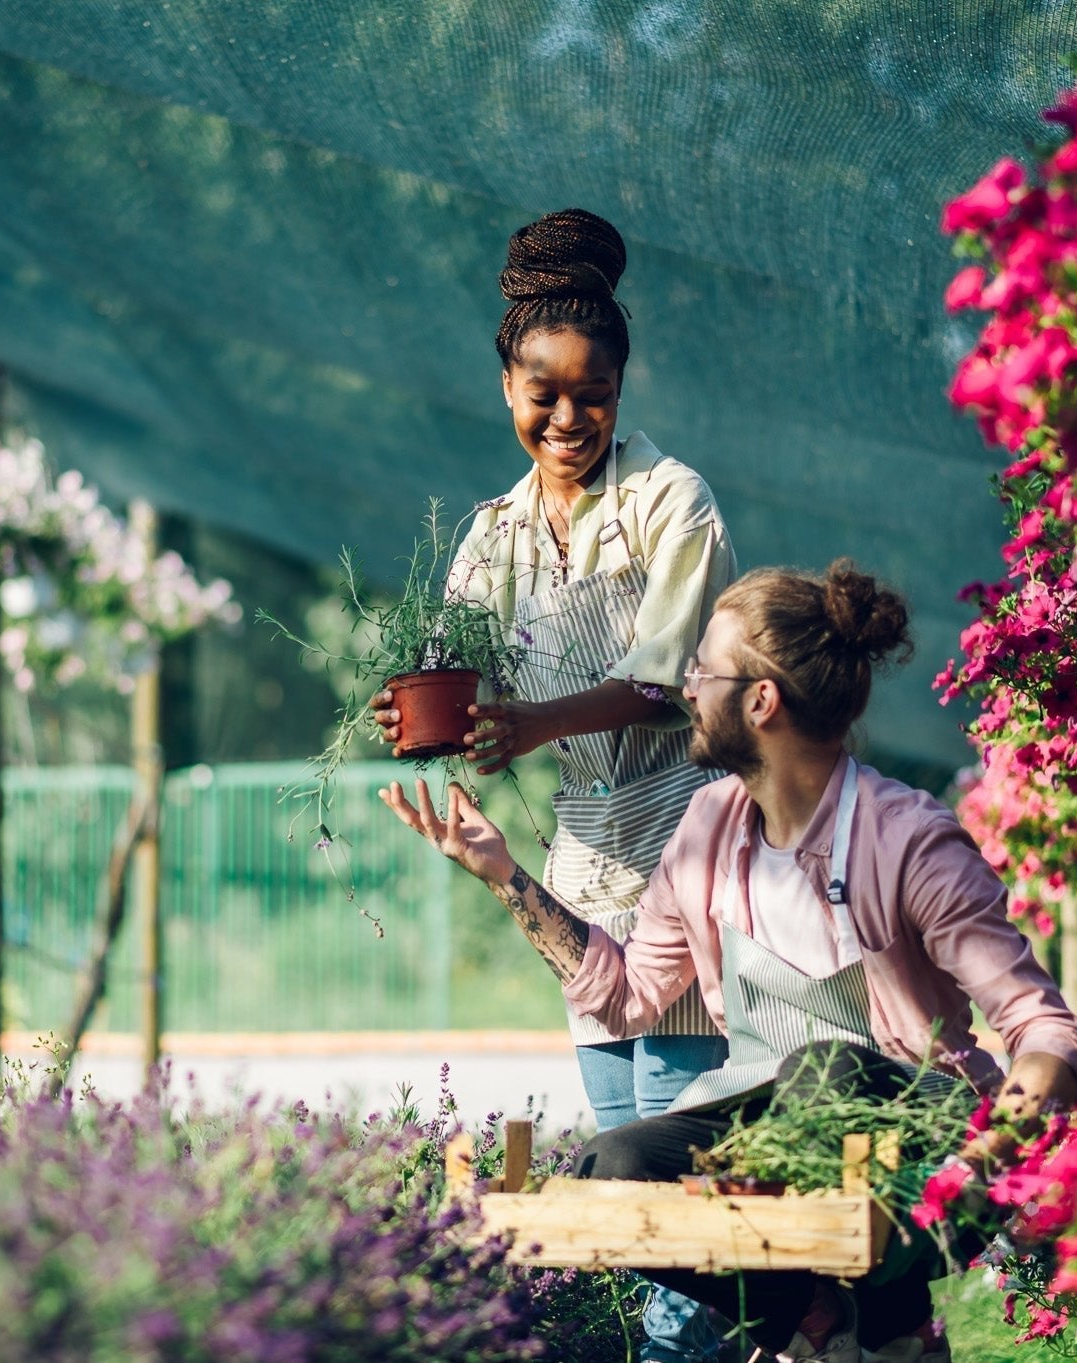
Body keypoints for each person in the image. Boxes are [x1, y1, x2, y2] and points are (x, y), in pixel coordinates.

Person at [381, 560, 1077, 1362]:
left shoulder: (908, 839)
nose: (685, 687)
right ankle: (818, 1320)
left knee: (824, 1069)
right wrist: (502, 873)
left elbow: (1047, 1029)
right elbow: (629, 996)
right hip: (768, 1130)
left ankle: (891, 1316)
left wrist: (986, 1157)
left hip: (919, 1145)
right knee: (614, 1162)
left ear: (761, 701)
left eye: (702, 671)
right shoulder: (708, 827)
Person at [370, 207, 736, 1361]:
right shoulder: (493, 533)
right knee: (617, 1137)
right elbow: (452, 665)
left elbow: (665, 679)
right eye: (543, 394)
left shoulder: (671, 501)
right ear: (506, 388)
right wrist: (416, 716)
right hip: (581, 862)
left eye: (594, 395)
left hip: (686, 842)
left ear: (622, 390)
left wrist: (529, 723)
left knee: (675, 1153)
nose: (567, 420)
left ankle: (684, 1347)